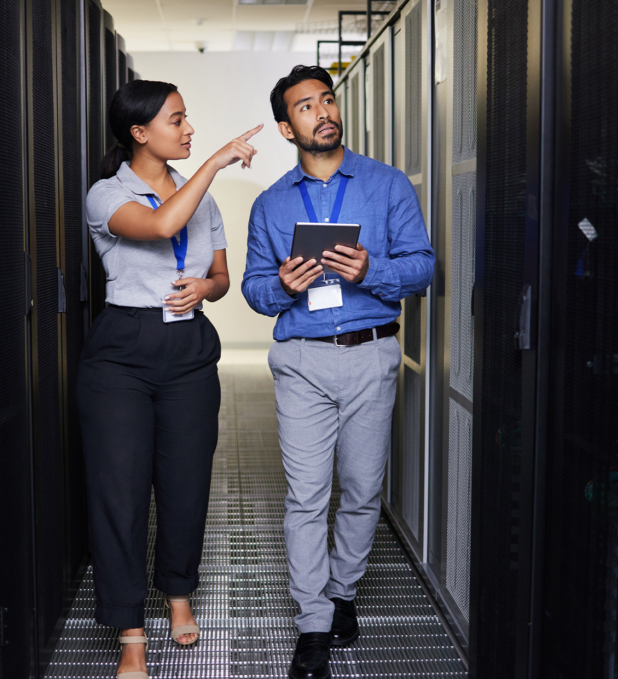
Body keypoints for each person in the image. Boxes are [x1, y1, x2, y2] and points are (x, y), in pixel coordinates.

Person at [241, 65, 435, 679]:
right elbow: (251, 288)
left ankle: (344, 591)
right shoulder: (271, 203)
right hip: (301, 360)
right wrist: (281, 285)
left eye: (327, 100)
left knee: (361, 488)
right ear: (285, 126)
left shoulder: (387, 185)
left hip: (372, 352)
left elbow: (423, 266)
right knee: (306, 495)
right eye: (305, 106)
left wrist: (370, 270)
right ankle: (313, 623)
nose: (322, 111)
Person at [77, 79, 262, 679]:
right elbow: (158, 228)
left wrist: (203, 289)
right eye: (177, 120)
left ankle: (178, 593)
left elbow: (220, 277)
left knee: (186, 483)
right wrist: (214, 162)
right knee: (120, 492)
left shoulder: (199, 197)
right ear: (140, 133)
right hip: (122, 352)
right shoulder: (106, 195)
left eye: (188, 119)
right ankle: (131, 630)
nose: (188, 129)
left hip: (186, 346)